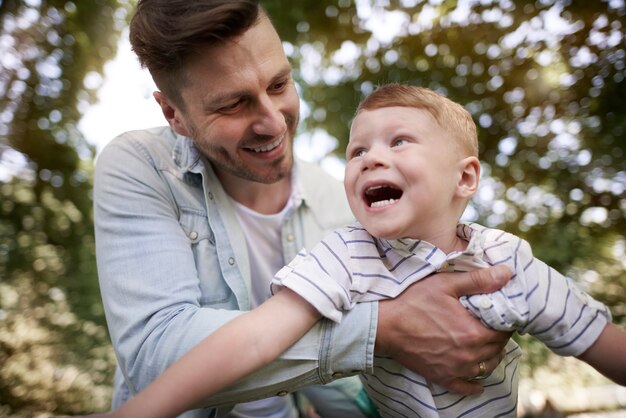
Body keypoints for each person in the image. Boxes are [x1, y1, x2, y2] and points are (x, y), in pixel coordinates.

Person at [89, 84, 626, 418]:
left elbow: (599, 342)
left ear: (464, 178)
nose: (370, 158)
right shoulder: (345, 255)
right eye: (357, 149)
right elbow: (252, 339)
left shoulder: (508, 265)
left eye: (399, 141)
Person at [93, 0, 512, 416]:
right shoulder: (142, 166)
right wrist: (378, 329)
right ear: (174, 114)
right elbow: (154, 357)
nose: (274, 123)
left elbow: (376, 370)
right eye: (233, 104)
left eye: (279, 85)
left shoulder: (346, 205)